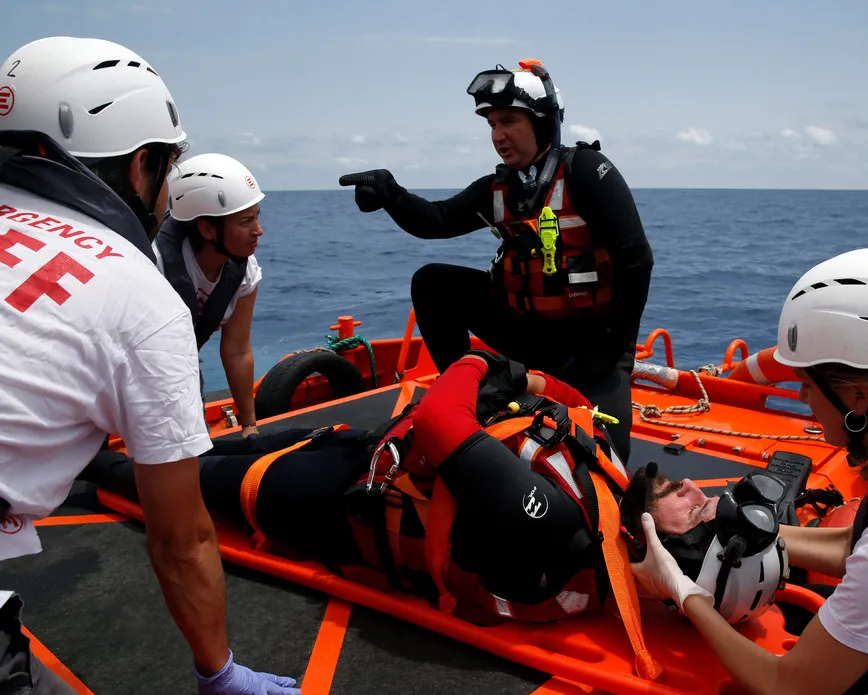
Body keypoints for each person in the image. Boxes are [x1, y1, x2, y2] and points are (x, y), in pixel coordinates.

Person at [84, 351, 790, 646]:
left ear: (666, 561)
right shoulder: (616, 491)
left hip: (331, 501)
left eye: (696, 513)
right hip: (368, 455)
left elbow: (440, 418)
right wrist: (537, 384)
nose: (698, 488)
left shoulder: (561, 532)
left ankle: (70, 461)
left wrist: (480, 364)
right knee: (211, 442)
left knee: (160, 479)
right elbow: (577, 414)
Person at [0, 37, 298, 694]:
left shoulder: (238, 273)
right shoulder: (142, 284)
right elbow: (181, 539)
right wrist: (219, 674)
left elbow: (235, 348)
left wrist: (245, 426)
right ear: (143, 166)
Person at [627, 248, 868, 695]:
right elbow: (857, 544)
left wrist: (681, 588)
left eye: (807, 386)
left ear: (859, 398)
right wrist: (734, 526)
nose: (804, 399)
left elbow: (787, 685)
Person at [338, 59, 653, 461]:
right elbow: (435, 221)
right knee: (433, 281)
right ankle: (470, 390)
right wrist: (391, 193)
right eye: (491, 125)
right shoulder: (500, 187)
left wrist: (614, 349)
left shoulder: (588, 172)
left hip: (592, 349)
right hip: (525, 337)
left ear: (542, 122)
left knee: (604, 461)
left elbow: (636, 260)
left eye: (508, 122)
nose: (498, 136)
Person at [156, 153, 265, 435]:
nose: (259, 231)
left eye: (257, 217)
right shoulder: (153, 267)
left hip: (181, 364)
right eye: (245, 221)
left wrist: (249, 426)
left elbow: (237, 350)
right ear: (206, 228)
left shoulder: (244, 272)